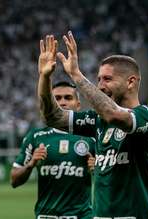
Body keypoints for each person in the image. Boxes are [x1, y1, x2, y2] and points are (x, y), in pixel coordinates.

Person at [37, 33, 148, 219]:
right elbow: (52, 117)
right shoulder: (97, 120)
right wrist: (44, 77)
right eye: (99, 79)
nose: (101, 85)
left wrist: (76, 76)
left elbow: (114, 115)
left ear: (131, 82)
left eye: (107, 79)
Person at [11, 81, 96, 219]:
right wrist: (31, 164)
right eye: (57, 98)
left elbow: (113, 181)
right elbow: (14, 180)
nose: (62, 102)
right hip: (46, 216)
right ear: (50, 104)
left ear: (78, 105)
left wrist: (97, 169)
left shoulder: (91, 137)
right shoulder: (36, 137)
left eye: (68, 98)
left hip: (82, 216)